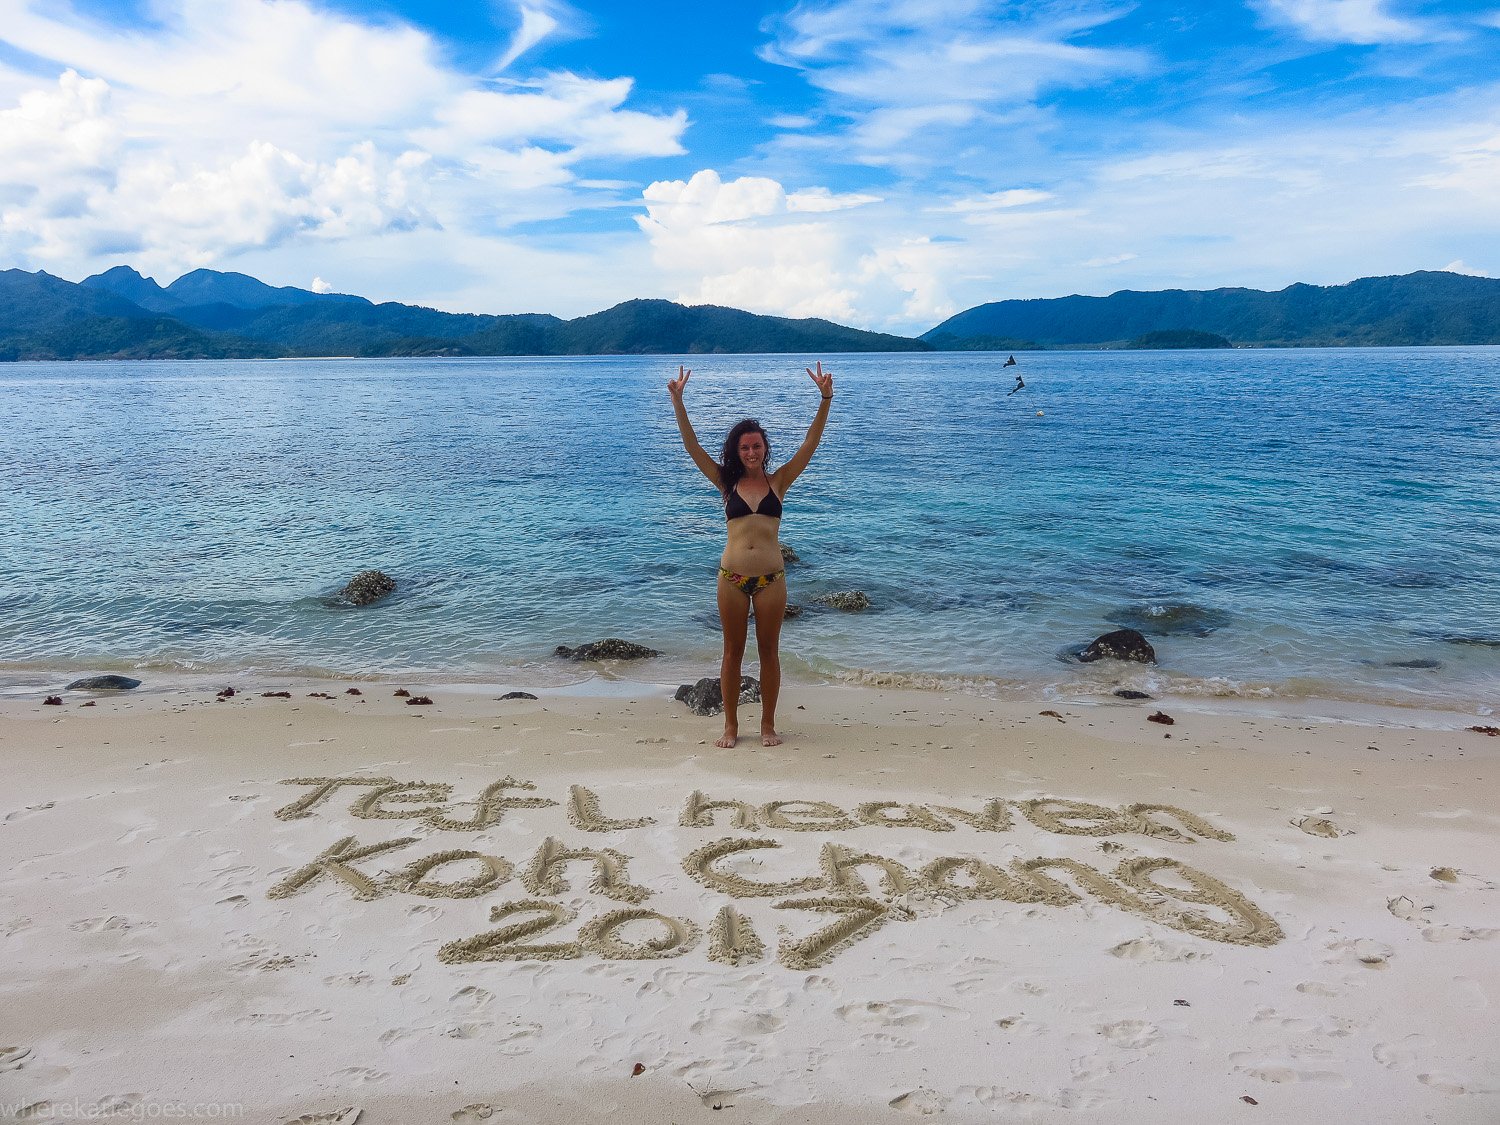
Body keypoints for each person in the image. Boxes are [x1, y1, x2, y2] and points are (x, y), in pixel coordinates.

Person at [668, 361, 833, 747]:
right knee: (731, 654)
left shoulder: (780, 481)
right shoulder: (726, 483)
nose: (751, 452)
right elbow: (691, 447)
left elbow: (811, 442)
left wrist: (825, 398)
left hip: (772, 579)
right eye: (744, 447)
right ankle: (730, 726)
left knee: (770, 654)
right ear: (736, 451)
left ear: (765, 448)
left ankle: (768, 726)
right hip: (732, 578)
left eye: (757, 446)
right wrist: (678, 401)